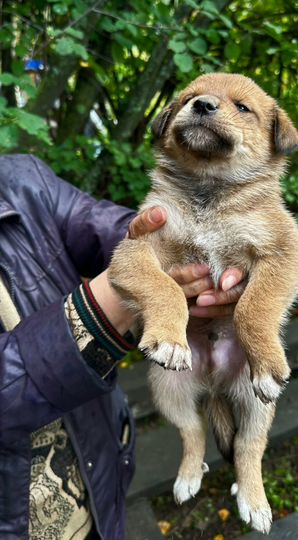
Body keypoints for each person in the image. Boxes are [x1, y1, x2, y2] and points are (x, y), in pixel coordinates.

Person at [0, 154, 244, 540]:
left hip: (101, 481)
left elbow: (99, 222)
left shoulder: (19, 177)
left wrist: (187, 247)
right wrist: (118, 295)